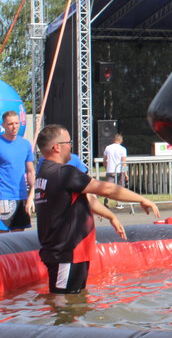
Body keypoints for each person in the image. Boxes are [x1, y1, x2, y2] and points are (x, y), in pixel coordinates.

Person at [33, 124, 159, 294]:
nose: (71, 146)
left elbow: (87, 199)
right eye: (68, 142)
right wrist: (141, 199)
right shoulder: (64, 173)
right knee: (63, 301)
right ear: (57, 147)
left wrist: (111, 216)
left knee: (74, 298)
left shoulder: (44, 172)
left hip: (69, 252)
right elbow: (106, 189)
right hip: (67, 253)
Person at [0, 111, 35, 233]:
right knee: (3, 239)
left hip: (21, 197)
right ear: (3, 125)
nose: (14, 127)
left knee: (18, 238)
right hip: (3, 197)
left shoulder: (25, 144)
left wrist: (31, 196)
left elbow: (30, 171)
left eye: (16, 123)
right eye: (10, 124)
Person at [102, 133, 128, 208]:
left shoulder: (108, 148)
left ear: (114, 140)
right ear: (121, 140)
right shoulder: (122, 149)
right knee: (120, 188)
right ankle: (119, 203)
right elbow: (124, 162)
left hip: (110, 170)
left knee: (108, 187)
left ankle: (107, 198)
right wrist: (126, 173)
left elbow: (104, 160)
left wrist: (106, 167)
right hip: (119, 171)